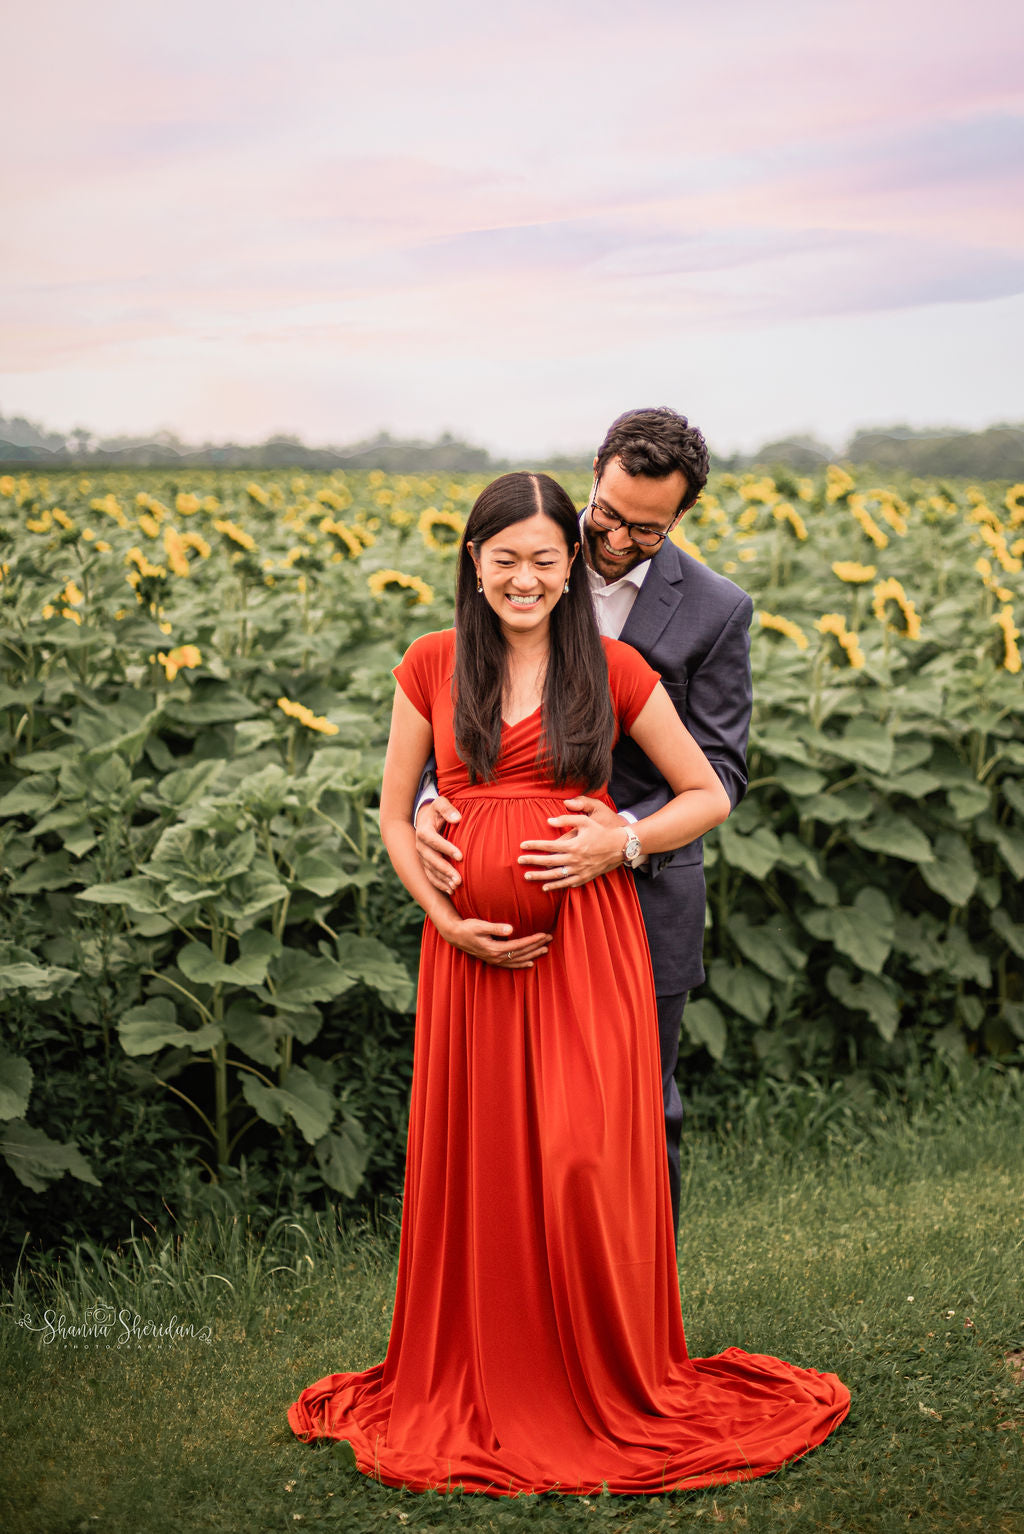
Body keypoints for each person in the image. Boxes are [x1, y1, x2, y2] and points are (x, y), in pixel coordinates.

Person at [288, 472, 849, 1494]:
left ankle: (596, 1369)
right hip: (467, 962)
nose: (525, 577)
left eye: (545, 559)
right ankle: (490, 1365)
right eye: (504, 558)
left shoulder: (617, 666)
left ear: (567, 565)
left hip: (587, 950)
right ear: (474, 562)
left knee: (582, 1155)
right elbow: (389, 812)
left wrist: (621, 840)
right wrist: (445, 913)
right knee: (486, 1156)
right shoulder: (430, 664)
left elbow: (705, 792)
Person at [415, 408, 753, 1229]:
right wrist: (432, 797)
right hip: (509, 906)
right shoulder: (525, 546)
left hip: (645, 890)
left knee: (635, 1109)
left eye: (645, 530)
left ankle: (636, 1321)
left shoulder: (715, 609)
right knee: (509, 1115)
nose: (612, 540)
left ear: (681, 517)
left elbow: (721, 774)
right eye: (605, 514)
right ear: (595, 474)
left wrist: (620, 839)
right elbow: (461, 692)